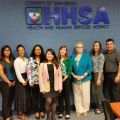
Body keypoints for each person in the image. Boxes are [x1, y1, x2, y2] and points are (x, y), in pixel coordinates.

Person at [39, 48, 62, 120]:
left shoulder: (56, 64)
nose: (50, 55)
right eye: (48, 54)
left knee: (55, 101)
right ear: (46, 55)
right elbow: (40, 77)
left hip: (55, 85)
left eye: (51, 54)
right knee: (48, 101)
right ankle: (48, 116)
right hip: (46, 86)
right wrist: (42, 88)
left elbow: (59, 76)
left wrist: (60, 87)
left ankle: (53, 116)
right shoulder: (42, 64)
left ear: (53, 55)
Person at [71, 41, 92, 117]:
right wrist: (74, 75)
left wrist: (83, 76)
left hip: (85, 79)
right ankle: (79, 110)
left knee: (85, 95)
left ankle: (85, 109)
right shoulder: (72, 57)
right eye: (77, 47)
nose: (79, 48)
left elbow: (90, 67)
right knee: (77, 95)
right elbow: (70, 69)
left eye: (81, 47)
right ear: (76, 48)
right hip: (75, 79)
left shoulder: (87, 56)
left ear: (83, 48)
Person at [27, 44, 45, 119]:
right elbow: (28, 71)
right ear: (34, 51)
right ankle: (36, 111)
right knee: (35, 97)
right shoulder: (31, 59)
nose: (37, 51)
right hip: (34, 82)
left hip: (43, 82)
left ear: (41, 51)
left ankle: (42, 110)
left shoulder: (44, 59)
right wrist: (30, 81)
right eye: (36, 50)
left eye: (39, 50)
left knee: (42, 97)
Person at [14, 44, 31, 120]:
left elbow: (29, 70)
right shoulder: (16, 61)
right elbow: (17, 73)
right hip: (20, 80)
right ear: (17, 51)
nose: (21, 51)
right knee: (21, 97)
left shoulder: (27, 59)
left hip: (27, 78)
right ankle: (20, 113)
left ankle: (25, 111)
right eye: (20, 50)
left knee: (26, 96)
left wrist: (27, 79)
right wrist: (23, 81)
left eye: (22, 50)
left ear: (24, 50)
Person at [0, 45, 16, 120]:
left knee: (10, 99)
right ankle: (6, 117)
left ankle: (9, 114)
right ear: (3, 52)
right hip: (4, 82)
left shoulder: (12, 60)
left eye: (8, 50)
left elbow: (14, 72)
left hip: (12, 82)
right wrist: (8, 82)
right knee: (6, 99)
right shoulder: (1, 61)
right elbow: (1, 74)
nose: (7, 52)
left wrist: (14, 81)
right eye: (5, 50)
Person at [57, 45, 72, 119]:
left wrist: (63, 79)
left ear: (66, 51)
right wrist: (59, 80)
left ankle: (68, 112)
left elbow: (69, 71)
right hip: (58, 79)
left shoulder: (68, 60)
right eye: (61, 49)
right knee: (60, 96)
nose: (62, 51)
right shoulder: (56, 59)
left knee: (66, 96)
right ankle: (60, 112)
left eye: (64, 50)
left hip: (66, 79)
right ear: (59, 50)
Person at [91, 41, 105, 114]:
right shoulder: (93, 54)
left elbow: (101, 68)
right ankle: (97, 106)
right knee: (94, 92)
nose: (95, 47)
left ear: (99, 47)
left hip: (99, 75)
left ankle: (101, 108)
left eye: (97, 45)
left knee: (99, 92)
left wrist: (99, 79)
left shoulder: (101, 56)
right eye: (94, 45)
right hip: (93, 75)